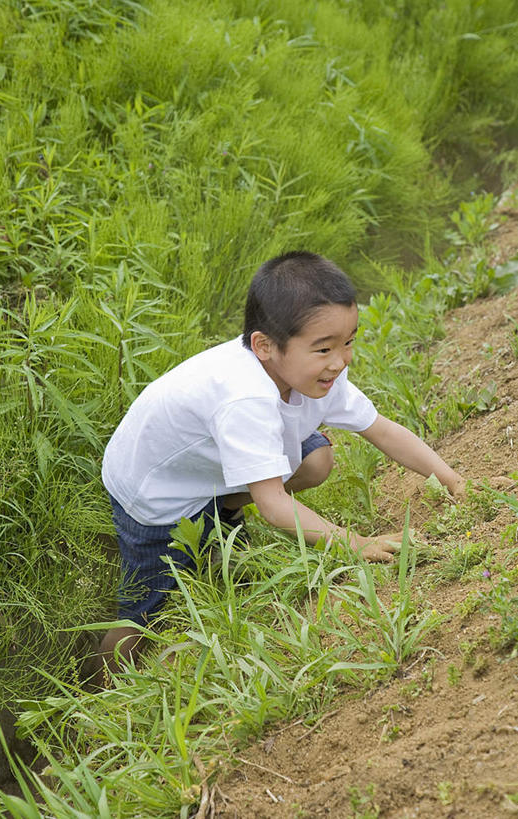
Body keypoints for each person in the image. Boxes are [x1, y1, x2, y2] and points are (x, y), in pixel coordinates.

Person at [95, 250, 465, 681]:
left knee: (316, 457)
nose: (341, 360)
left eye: (349, 341)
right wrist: (355, 542)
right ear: (264, 346)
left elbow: (381, 430)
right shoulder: (245, 400)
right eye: (324, 347)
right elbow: (272, 505)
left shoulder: (314, 372)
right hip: (155, 492)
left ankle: (225, 510)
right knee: (147, 610)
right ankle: (99, 685)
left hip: (205, 463)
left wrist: (455, 482)